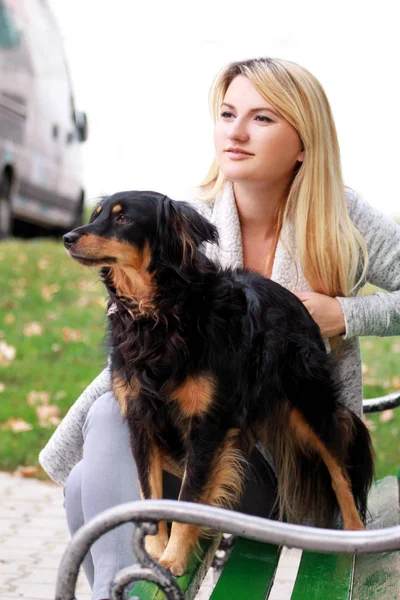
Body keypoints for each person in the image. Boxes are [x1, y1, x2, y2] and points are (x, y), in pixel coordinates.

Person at [39, 57, 400, 600]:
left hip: (282, 458)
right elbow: (143, 363)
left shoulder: (343, 217)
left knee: (88, 487)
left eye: (261, 118)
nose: (235, 130)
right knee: (99, 451)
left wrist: (348, 315)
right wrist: (78, 434)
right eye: (228, 113)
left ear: (304, 141)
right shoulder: (187, 222)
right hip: (189, 449)